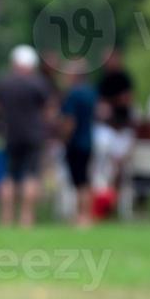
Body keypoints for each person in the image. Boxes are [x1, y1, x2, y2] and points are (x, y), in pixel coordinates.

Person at [0, 44, 53, 227]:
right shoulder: (38, 83)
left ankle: (6, 217)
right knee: (30, 176)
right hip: (33, 135)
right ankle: (26, 218)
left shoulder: (3, 83)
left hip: (10, 134)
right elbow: (48, 111)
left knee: (9, 175)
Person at [58, 70, 97, 227]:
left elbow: (69, 121)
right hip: (88, 141)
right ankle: (84, 215)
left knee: (79, 181)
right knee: (85, 180)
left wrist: (64, 139)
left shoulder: (73, 95)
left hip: (75, 143)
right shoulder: (91, 93)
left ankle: (82, 217)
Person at [97, 50, 136, 130]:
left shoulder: (123, 78)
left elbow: (128, 99)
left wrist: (111, 102)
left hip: (123, 121)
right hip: (107, 124)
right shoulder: (103, 79)